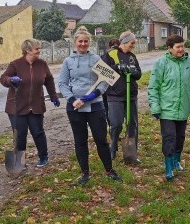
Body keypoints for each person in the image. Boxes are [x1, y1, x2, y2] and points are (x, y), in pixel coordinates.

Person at [58, 26, 122, 184]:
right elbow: (62, 83)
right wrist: (73, 99)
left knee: (101, 140)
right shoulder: (68, 62)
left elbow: (106, 81)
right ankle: (85, 173)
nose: (83, 44)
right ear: (75, 42)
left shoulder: (96, 60)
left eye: (86, 41)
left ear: (89, 42)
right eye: (80, 41)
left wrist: (93, 95)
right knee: (80, 141)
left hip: (95, 106)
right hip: (75, 107)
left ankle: (109, 169)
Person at [148, 34, 190, 180]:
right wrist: (155, 107)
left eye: (182, 46)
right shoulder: (161, 63)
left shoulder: (189, 64)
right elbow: (153, 87)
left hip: (183, 108)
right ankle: (168, 167)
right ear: (170, 48)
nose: (181, 49)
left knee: (180, 137)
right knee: (169, 138)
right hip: (166, 109)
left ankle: (176, 161)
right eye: (178, 47)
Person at [0, 38, 60, 168]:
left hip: (36, 106)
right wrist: (11, 80)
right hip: (16, 107)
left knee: (38, 132)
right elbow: (3, 78)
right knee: (20, 135)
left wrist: (53, 96)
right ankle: (19, 162)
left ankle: (43, 157)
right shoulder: (15, 64)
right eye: (37, 49)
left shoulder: (42, 64)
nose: (39, 51)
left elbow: (49, 80)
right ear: (28, 50)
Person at [102, 31, 142, 164]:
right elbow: (102, 71)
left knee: (132, 124)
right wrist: (118, 67)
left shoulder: (132, 56)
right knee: (116, 123)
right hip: (115, 95)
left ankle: (132, 152)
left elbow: (139, 73)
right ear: (125, 41)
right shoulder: (110, 54)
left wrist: (134, 72)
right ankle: (113, 148)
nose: (133, 45)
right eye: (132, 42)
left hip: (131, 95)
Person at [102, 38, 121, 125]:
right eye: (113, 46)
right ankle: (111, 127)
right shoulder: (105, 56)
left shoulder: (122, 55)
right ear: (109, 47)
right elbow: (104, 72)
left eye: (117, 46)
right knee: (108, 110)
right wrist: (116, 67)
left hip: (117, 88)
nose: (115, 49)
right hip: (108, 88)